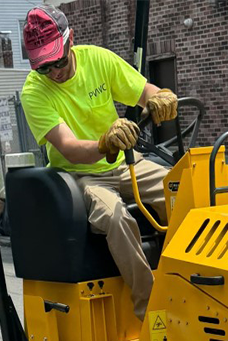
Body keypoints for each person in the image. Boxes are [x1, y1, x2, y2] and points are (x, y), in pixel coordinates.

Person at [20, 5, 178, 320]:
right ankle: (151, 310)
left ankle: (187, 283)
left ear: (70, 41)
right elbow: (70, 149)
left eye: (58, 61)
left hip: (126, 163)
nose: (54, 72)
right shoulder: (34, 92)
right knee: (116, 216)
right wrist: (105, 143)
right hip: (80, 177)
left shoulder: (98, 60)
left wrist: (160, 96)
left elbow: (144, 92)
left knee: (183, 189)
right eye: (44, 67)